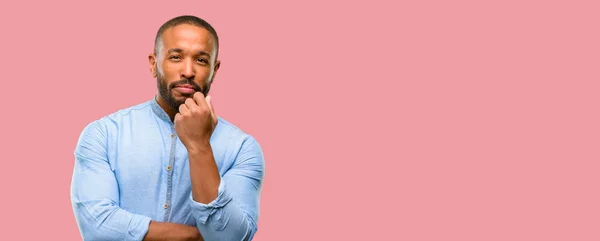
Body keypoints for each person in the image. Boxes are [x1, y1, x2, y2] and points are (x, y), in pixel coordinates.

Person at [70, 15, 265, 241]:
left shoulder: (242, 148)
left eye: (201, 60)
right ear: (154, 63)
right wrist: (194, 237)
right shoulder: (103, 134)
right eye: (176, 57)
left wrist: (199, 147)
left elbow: (232, 237)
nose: (188, 71)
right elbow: (97, 227)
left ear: (215, 69)